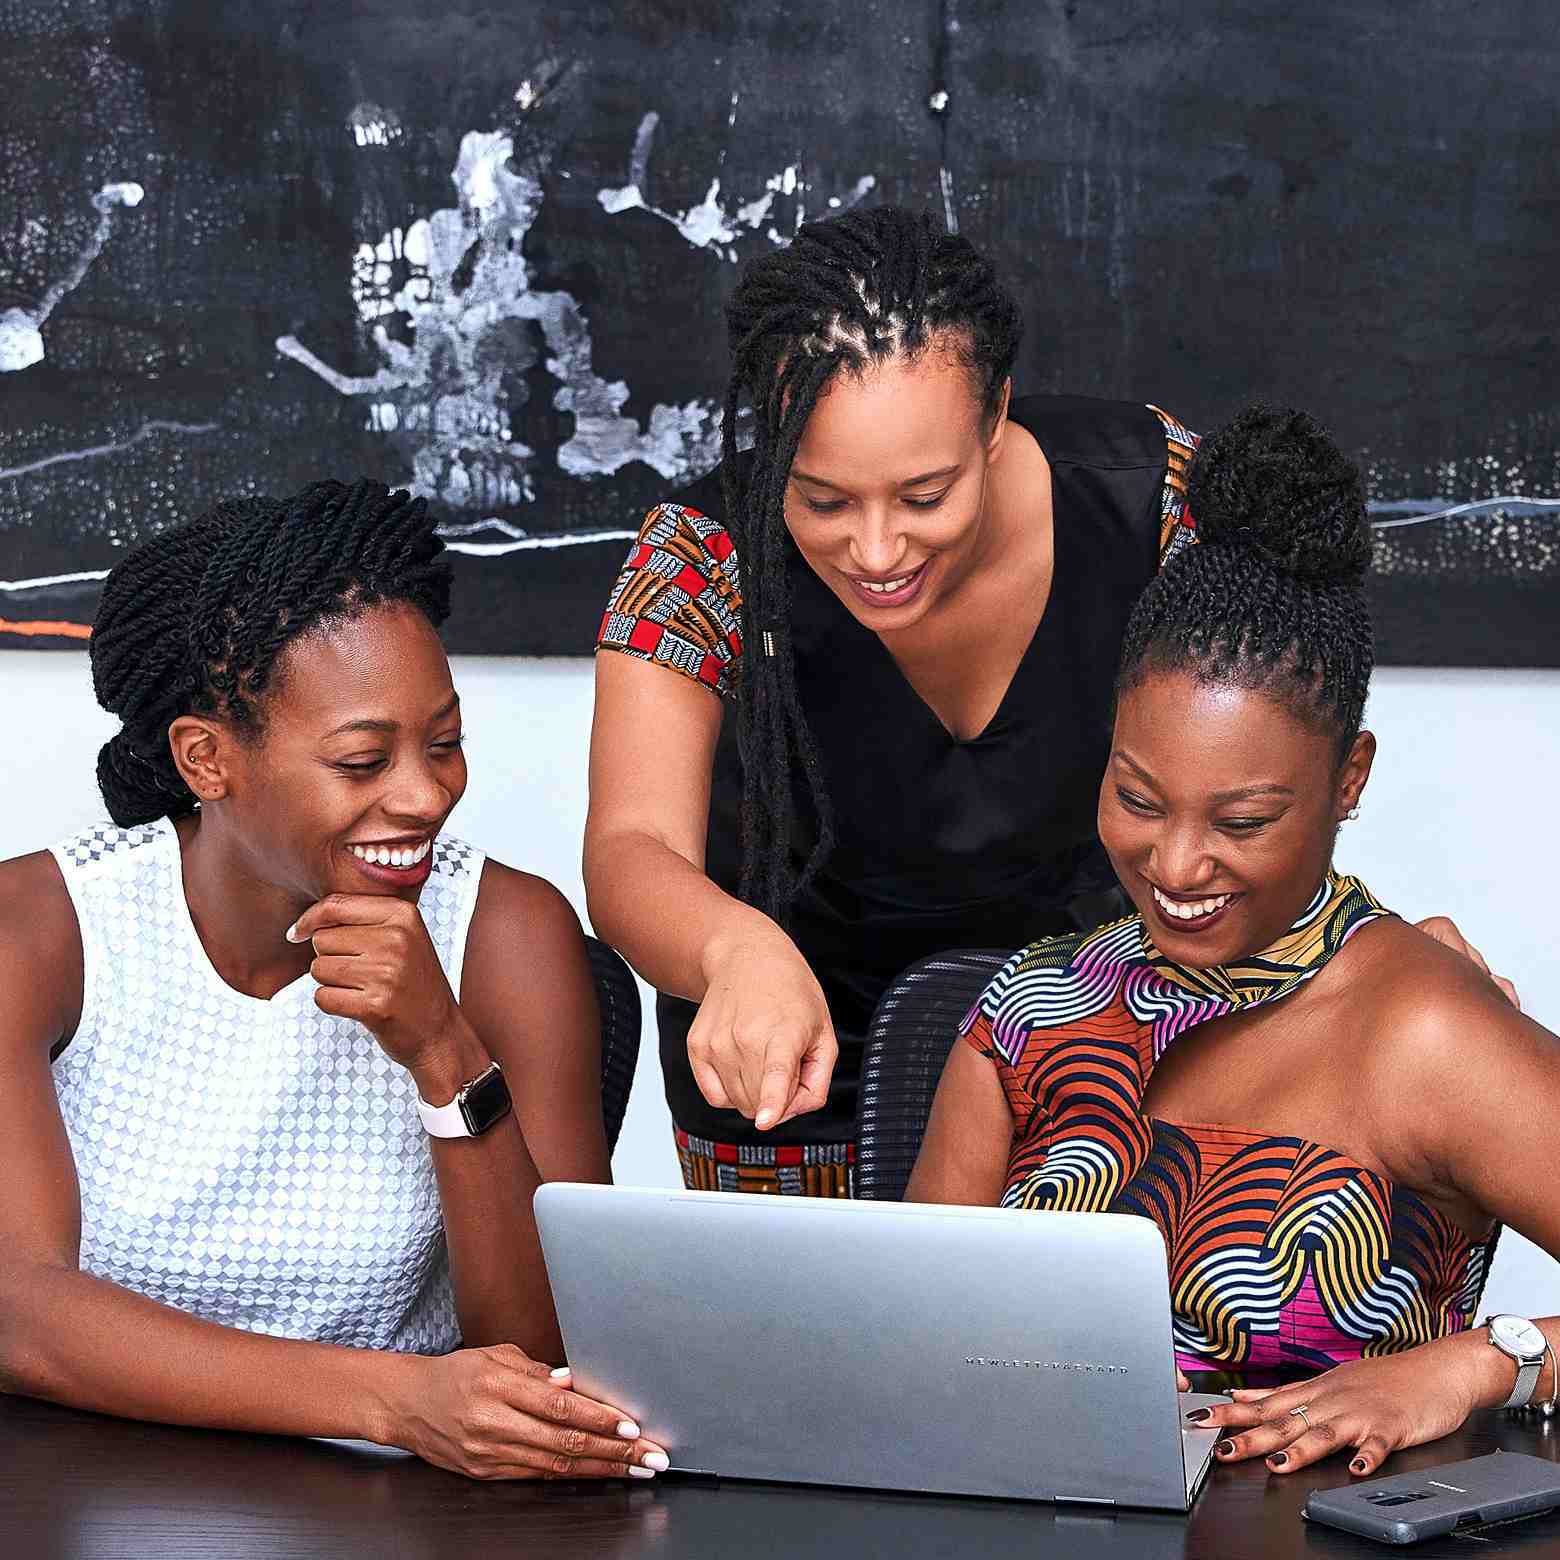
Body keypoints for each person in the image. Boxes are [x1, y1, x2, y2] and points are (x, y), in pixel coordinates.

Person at [585, 204, 1510, 1196]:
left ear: (996, 419)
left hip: (1091, 1068)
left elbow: (1269, 753)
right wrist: (731, 951)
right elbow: (629, 850)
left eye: (925, 495)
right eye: (822, 500)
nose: (878, 549)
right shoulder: (699, 556)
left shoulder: (1153, 501)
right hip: (785, 1083)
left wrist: (1368, 954)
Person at [908, 407, 1559, 1477]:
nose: (1174, 865)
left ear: (1349, 778)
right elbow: (902, 1335)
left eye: (1242, 822)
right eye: (1138, 798)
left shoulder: (1427, 1029)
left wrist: (1479, 1365)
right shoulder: (1028, 1010)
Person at [0, 480, 667, 1483]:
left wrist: (446, 1056)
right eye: (363, 760)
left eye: (444, 744)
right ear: (207, 759)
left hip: (391, 1515)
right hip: (76, 1489)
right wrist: (390, 1398)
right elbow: (21, 1312)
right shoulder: (44, 932)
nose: (424, 793)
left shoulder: (504, 932)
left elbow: (549, 1361)